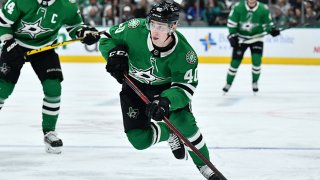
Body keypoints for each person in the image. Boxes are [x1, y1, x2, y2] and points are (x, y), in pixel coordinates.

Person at [99, 1, 221, 179]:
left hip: (165, 91)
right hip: (133, 87)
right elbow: (106, 38)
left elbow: (185, 88)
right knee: (139, 141)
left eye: (162, 27)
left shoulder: (185, 55)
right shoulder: (134, 29)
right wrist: (112, 54)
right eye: (153, 24)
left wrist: (166, 101)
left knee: (185, 123)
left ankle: (205, 166)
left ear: (173, 27)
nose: (155, 31)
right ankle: (169, 132)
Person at [0, 0, 100, 154]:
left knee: (53, 87)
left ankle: (49, 133)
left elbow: (74, 26)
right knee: (3, 88)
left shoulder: (67, 4)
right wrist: (7, 42)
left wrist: (84, 33)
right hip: (15, 45)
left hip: (45, 48)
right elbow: (3, 21)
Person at [223, 0, 280, 94]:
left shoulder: (263, 9)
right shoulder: (238, 7)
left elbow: (268, 24)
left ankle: (255, 82)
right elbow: (231, 23)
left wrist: (272, 30)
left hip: (256, 38)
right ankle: (228, 83)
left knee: (257, 61)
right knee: (235, 63)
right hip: (241, 39)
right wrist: (232, 35)